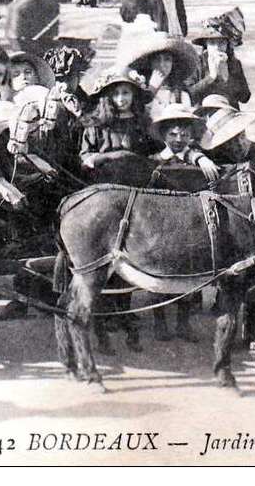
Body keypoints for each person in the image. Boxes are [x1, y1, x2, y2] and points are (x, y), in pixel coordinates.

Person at [79, 69, 154, 354]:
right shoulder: (96, 125)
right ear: (108, 98)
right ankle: (103, 314)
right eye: (117, 94)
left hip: (134, 196)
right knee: (103, 255)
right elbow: (85, 158)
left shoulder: (141, 124)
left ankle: (123, 310)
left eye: (126, 93)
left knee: (129, 255)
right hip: (104, 193)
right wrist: (108, 156)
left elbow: (151, 155)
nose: (122, 99)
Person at [147, 103, 219, 343]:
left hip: (188, 227)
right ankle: (159, 322)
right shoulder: (154, 160)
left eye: (184, 134)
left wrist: (198, 157)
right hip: (161, 227)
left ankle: (183, 323)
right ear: (164, 135)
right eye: (173, 134)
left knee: (188, 276)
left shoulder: (199, 160)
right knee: (159, 275)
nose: (178, 139)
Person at [115, 29, 199, 119]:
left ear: (173, 63)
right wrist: (152, 89)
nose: (162, 65)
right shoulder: (138, 89)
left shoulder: (181, 94)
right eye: (157, 59)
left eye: (167, 59)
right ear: (150, 63)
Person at [188, 14, 250, 107]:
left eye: (221, 43)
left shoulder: (234, 63)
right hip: (203, 114)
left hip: (228, 113)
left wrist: (228, 79)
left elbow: (245, 97)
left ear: (227, 45)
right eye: (212, 43)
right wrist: (211, 77)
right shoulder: (197, 63)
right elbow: (189, 97)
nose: (217, 48)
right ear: (206, 45)